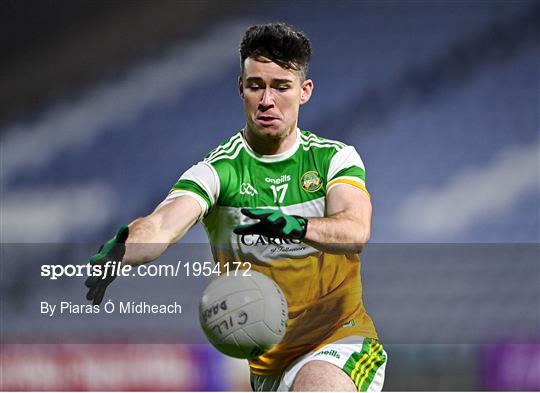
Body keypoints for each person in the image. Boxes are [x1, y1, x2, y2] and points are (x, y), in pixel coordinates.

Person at [85, 22, 387, 391]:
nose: (267, 100)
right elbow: (162, 225)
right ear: (240, 88)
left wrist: (298, 226)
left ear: (304, 91)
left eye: (281, 87)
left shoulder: (333, 160)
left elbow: (356, 230)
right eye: (256, 85)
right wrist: (121, 249)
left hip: (342, 340)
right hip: (267, 366)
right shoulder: (218, 172)